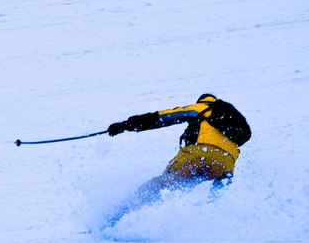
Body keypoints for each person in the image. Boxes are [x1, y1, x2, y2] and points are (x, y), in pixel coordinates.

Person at [105, 93, 251, 223]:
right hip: (226, 163)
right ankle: (213, 222)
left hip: (199, 153)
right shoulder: (233, 121)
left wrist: (126, 125)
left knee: (163, 185)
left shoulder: (203, 108)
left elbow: (164, 116)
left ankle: (118, 217)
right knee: (214, 195)